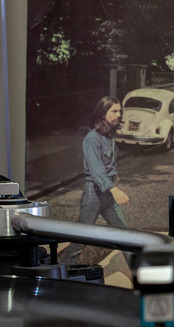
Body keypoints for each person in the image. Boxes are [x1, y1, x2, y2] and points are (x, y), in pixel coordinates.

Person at [60, 96, 130, 265]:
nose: (119, 114)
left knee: (126, 238)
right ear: (102, 113)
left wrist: (115, 177)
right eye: (114, 111)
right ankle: (59, 273)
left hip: (108, 195)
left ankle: (141, 278)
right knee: (80, 240)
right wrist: (113, 188)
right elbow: (96, 170)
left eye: (120, 111)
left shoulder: (109, 136)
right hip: (94, 196)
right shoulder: (92, 138)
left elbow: (109, 164)